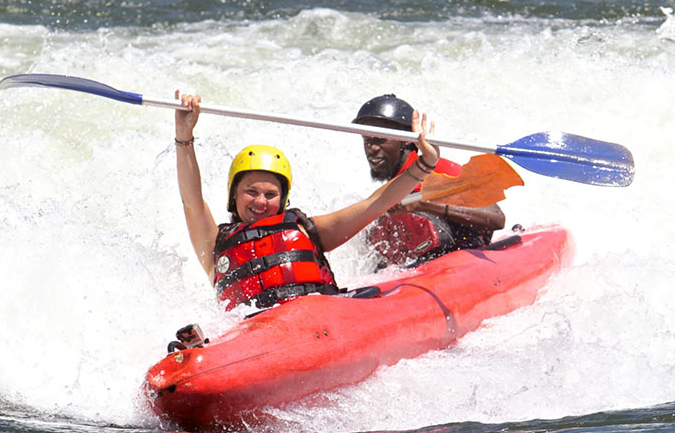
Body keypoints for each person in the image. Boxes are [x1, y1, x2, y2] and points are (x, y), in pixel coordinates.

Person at [174, 91, 440, 310]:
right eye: (251, 192)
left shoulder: (305, 230)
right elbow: (191, 200)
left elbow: (375, 204)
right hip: (248, 333)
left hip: (312, 325)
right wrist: (184, 134)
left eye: (270, 194)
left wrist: (425, 164)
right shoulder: (215, 242)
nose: (260, 202)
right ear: (234, 195)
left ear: (283, 199)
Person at [353, 94, 506, 267]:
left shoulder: (440, 171)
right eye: (367, 140)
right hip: (423, 273)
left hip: (469, 262)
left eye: (381, 140)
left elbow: (497, 218)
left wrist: (423, 204)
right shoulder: (391, 187)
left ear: (405, 141)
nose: (371, 148)